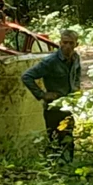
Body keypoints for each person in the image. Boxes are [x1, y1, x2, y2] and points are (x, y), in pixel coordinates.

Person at [22, 29, 82, 161]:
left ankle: (68, 165)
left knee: (68, 137)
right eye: (65, 43)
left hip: (69, 105)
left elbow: (77, 73)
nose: (68, 46)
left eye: (71, 43)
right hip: (53, 108)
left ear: (76, 44)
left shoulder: (75, 58)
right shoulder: (51, 61)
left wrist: (76, 88)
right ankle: (55, 168)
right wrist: (42, 94)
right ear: (60, 43)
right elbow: (27, 76)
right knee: (55, 139)